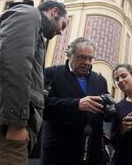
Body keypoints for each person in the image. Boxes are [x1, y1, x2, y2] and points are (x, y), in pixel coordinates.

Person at [0, 0, 68, 165]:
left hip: (0, 132)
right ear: (54, 12)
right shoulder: (28, 15)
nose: (61, 32)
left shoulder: (34, 27)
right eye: (63, 25)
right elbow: (13, 65)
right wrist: (16, 124)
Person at [41, 37, 110, 165]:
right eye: (82, 57)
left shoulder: (100, 80)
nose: (87, 62)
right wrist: (76, 104)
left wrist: (109, 110)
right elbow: (41, 105)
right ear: (70, 55)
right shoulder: (51, 74)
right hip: (59, 151)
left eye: (90, 58)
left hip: (92, 152)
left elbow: (105, 111)